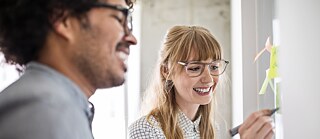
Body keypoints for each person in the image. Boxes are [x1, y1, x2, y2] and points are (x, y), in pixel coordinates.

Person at [0, 0, 137, 138]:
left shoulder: (58, 106)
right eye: (119, 19)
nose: (132, 39)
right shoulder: (45, 111)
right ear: (63, 20)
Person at [129, 25, 274, 139]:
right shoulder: (145, 130)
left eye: (214, 67)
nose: (209, 79)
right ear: (166, 71)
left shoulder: (213, 130)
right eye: (194, 68)